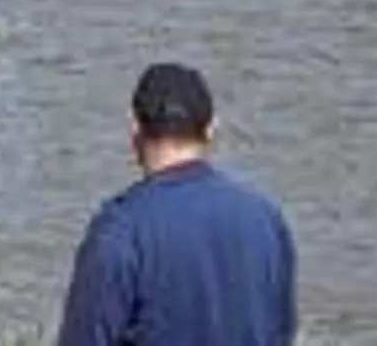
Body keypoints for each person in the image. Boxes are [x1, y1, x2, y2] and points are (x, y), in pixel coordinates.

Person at [57, 62, 297, 346]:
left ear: (135, 128)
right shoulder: (266, 219)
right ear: (211, 128)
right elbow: (282, 333)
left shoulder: (120, 230)